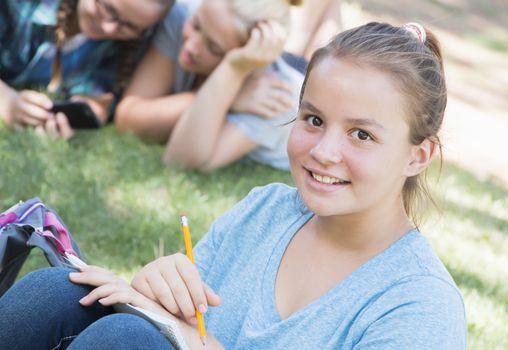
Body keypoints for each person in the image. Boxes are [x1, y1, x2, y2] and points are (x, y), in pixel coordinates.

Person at [0, 22, 467, 349]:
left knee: (125, 341)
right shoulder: (265, 211)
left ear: (417, 155)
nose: (324, 151)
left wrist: (182, 335)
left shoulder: (419, 305)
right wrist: (152, 293)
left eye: (361, 134)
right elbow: (177, 324)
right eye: (314, 119)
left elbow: (185, 338)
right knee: (60, 291)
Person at [115, 0, 304, 171]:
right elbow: (127, 119)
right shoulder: (188, 14)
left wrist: (233, 70)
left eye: (214, 48)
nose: (191, 46)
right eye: (196, 26)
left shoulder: (277, 93)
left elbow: (181, 159)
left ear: (250, 56)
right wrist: (230, 98)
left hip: (300, 75)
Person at [0, 0, 173, 139]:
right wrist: (8, 102)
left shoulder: (121, 46)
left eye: (130, 26)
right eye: (107, 9)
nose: (109, 28)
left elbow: (95, 94)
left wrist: (87, 109)